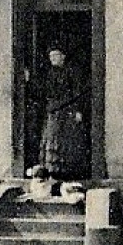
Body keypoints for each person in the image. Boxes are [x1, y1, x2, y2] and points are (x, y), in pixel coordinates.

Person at [40, 47, 89, 180]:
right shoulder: (49, 74)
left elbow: (78, 92)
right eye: (51, 57)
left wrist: (78, 110)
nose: (53, 59)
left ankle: (69, 172)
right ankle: (52, 171)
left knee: (68, 141)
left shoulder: (72, 72)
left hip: (68, 110)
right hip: (54, 110)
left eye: (56, 56)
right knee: (52, 138)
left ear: (63, 56)